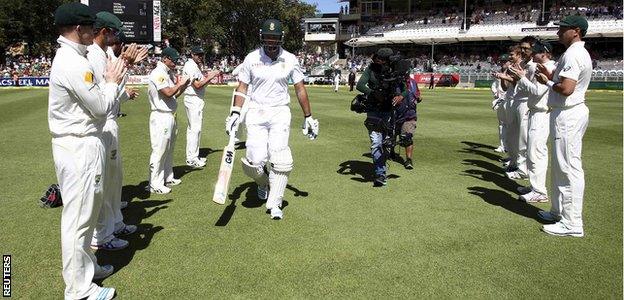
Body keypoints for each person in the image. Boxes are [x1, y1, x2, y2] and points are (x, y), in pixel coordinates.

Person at [48, 3, 125, 299]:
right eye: (90, 28)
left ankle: (88, 267)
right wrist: (111, 81)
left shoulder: (74, 57)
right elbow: (101, 107)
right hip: (78, 145)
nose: (94, 33)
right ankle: (78, 290)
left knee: (86, 216)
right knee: (78, 220)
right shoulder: (72, 62)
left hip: (82, 143)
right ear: (79, 29)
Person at [225, 19, 319, 220]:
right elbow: (242, 88)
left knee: (281, 159)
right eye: (268, 37)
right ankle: (262, 182)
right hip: (256, 111)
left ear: (280, 38)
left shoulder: (290, 59)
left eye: (274, 37)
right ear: (262, 36)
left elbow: (300, 88)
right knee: (254, 162)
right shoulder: (251, 58)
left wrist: (308, 116)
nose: (271, 41)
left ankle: (275, 203)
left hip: (279, 112)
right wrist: (235, 113)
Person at [87, 11, 143, 252]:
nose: (117, 37)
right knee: (106, 183)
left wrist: (126, 67)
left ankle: (115, 223)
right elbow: (105, 96)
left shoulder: (104, 54)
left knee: (115, 180)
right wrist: (127, 64)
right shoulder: (95, 56)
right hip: (103, 124)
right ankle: (102, 234)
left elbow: (116, 90)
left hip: (110, 122)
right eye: (113, 32)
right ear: (104, 32)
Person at [535, 15, 592, 237]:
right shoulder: (574, 53)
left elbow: (567, 88)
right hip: (566, 112)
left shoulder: (574, 54)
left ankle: (572, 223)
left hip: (568, 113)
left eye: (563, 29)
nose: (559, 32)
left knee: (568, 167)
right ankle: (559, 211)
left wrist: (548, 82)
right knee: (561, 167)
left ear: (575, 31)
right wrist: (550, 76)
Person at [509, 40, 556, 203]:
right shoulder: (541, 66)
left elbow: (537, 91)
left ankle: (540, 191)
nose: (530, 54)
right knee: (532, 151)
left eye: (535, 52)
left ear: (544, 53)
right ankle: (535, 187)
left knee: (536, 152)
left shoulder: (547, 68)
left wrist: (521, 78)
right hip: (536, 112)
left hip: (541, 113)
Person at [356, 48, 408, 186]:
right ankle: (380, 173)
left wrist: (400, 96)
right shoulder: (371, 68)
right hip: (373, 110)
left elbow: (405, 89)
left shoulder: (395, 70)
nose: (376, 60)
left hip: (389, 111)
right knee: (376, 142)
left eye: (380, 59)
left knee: (385, 142)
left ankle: (381, 168)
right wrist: (373, 93)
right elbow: (360, 85)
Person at [146, 47, 191, 194]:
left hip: (170, 114)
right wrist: (180, 83)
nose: (175, 63)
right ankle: (155, 183)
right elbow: (167, 93)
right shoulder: (158, 73)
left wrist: (184, 85)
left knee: (169, 148)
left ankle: (167, 176)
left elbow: (174, 95)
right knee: (160, 149)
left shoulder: (166, 73)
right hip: (161, 116)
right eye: (173, 60)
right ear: (165, 58)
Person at [182, 46, 221, 168]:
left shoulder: (195, 66)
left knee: (194, 129)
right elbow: (198, 85)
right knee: (195, 129)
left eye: (201, 54)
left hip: (196, 99)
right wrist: (211, 75)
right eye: (198, 54)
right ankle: (192, 158)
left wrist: (210, 77)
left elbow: (201, 83)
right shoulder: (190, 66)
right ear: (192, 54)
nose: (200, 57)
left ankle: (193, 156)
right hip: (193, 99)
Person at [395, 74, 421, 170]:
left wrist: (418, 98)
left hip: (410, 114)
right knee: (392, 136)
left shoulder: (413, 82)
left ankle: (408, 159)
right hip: (396, 114)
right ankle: (391, 153)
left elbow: (417, 94)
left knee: (408, 137)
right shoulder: (395, 82)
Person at [490, 56, 509, 154]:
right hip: (500, 100)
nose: (503, 63)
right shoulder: (498, 72)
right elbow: (494, 85)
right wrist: (495, 93)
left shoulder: (512, 71)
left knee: (511, 125)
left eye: (505, 61)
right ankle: (503, 146)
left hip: (510, 100)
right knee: (502, 124)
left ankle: (510, 147)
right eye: (501, 61)